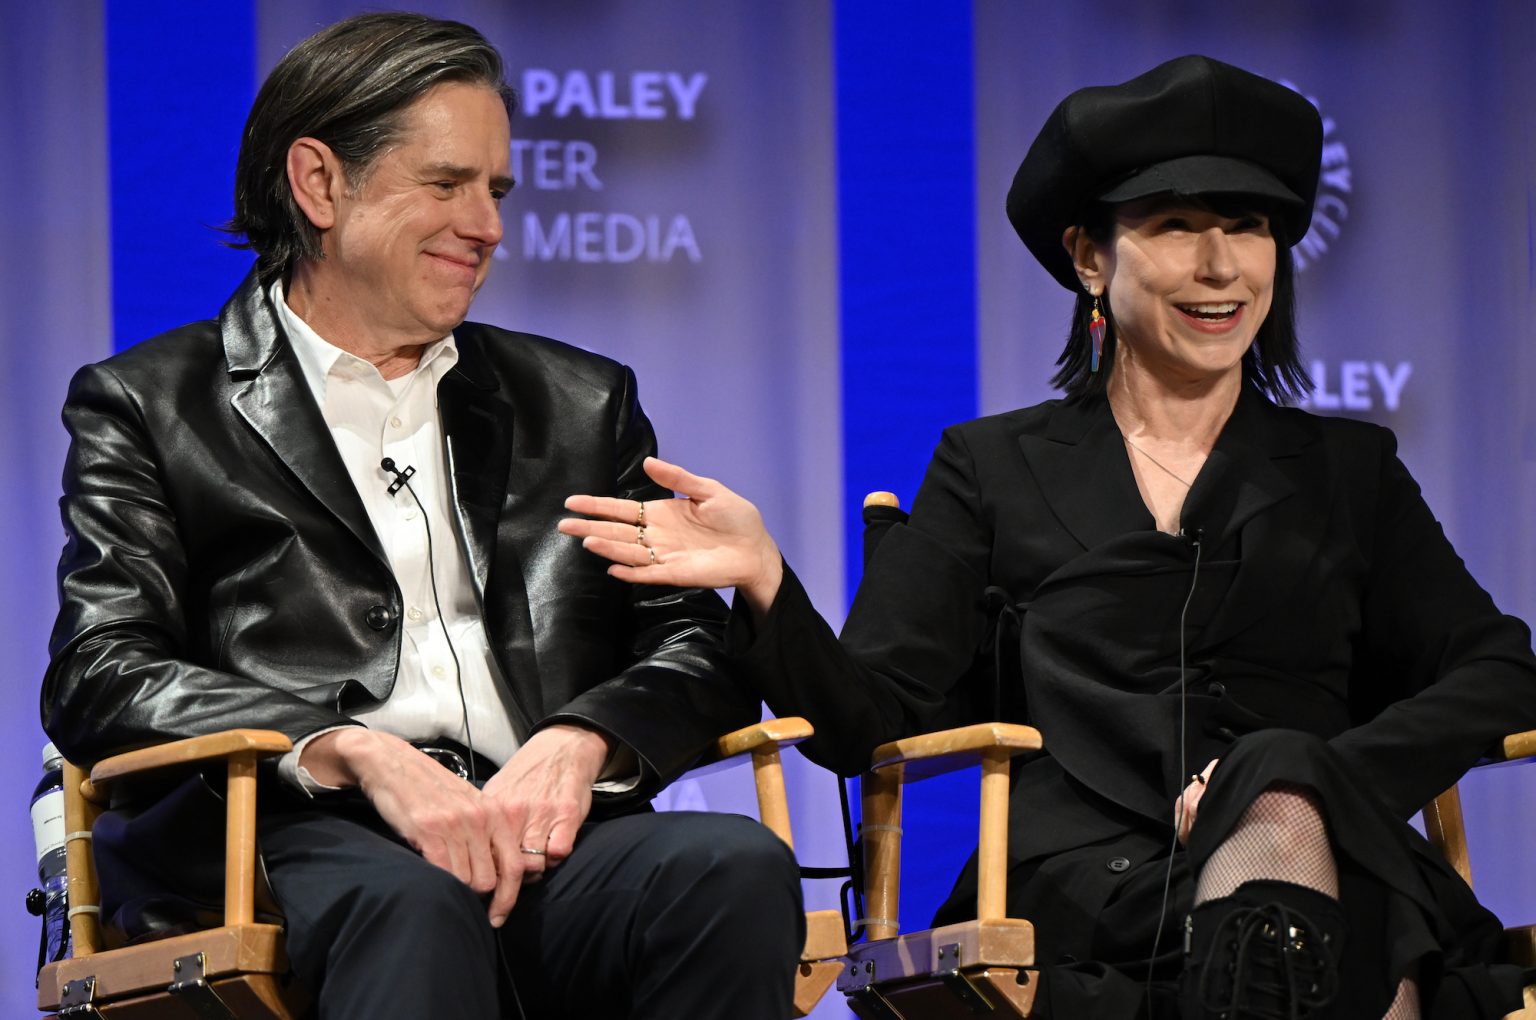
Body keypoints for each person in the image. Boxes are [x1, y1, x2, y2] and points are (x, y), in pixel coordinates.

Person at [560, 55, 1536, 1019]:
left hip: (1321, 859)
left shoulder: (1347, 470)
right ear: (1088, 257)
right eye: (1176, 225)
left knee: (1316, 879)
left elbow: (1498, 668)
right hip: (1092, 887)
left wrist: (1310, 783)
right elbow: (871, 722)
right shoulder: (993, 467)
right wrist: (768, 578)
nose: (1221, 265)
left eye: (1248, 226)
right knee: (1352, 956)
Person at [41, 12, 803, 1020]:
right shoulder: (152, 401)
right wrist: (347, 748)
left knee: (726, 864)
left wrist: (584, 738)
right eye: (446, 186)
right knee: (413, 904)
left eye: (495, 192)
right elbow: (102, 669)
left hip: (542, 837)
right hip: (289, 837)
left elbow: (690, 649)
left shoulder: (577, 401)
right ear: (319, 184)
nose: (487, 225)